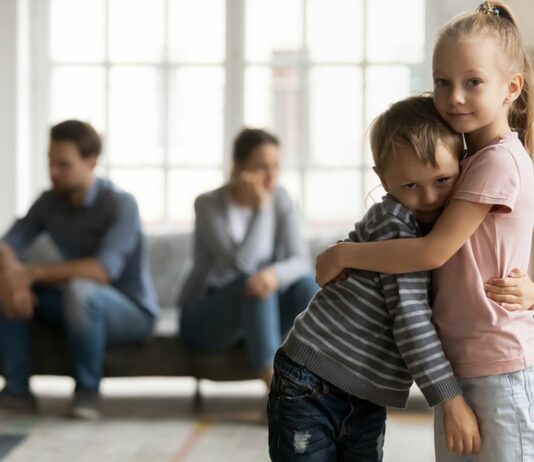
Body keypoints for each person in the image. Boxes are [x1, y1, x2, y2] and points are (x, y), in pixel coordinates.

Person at [315, 3, 534, 460]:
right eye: (442, 82)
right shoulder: (464, 162)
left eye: (473, 82)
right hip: (463, 362)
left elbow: (432, 252)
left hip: (496, 363)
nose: (454, 96)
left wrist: (344, 254)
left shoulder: (496, 161)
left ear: (511, 87)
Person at [268, 95, 483, 461]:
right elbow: (411, 318)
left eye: (442, 179)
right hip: (312, 381)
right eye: (410, 186)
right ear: (383, 179)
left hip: (363, 392)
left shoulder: (440, 227)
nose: (429, 197)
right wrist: (450, 399)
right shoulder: (396, 223)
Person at [0, 120, 158, 419]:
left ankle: (87, 392)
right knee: (7, 286)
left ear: (91, 162)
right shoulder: (49, 201)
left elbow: (102, 271)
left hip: (130, 311)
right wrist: (13, 278)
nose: (53, 172)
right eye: (50, 162)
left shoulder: (121, 203)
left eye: (64, 164)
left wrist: (32, 273)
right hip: (75, 305)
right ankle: (17, 391)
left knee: (80, 289)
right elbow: (8, 243)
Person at [178, 128, 318, 387]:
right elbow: (241, 265)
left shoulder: (281, 198)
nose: (272, 176)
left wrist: (274, 275)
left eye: (276, 166)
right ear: (238, 166)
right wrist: (261, 208)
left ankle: (314, 381)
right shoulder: (208, 204)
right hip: (206, 317)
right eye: (262, 167)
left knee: (308, 286)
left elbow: (301, 261)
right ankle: (275, 391)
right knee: (255, 283)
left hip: (258, 314)